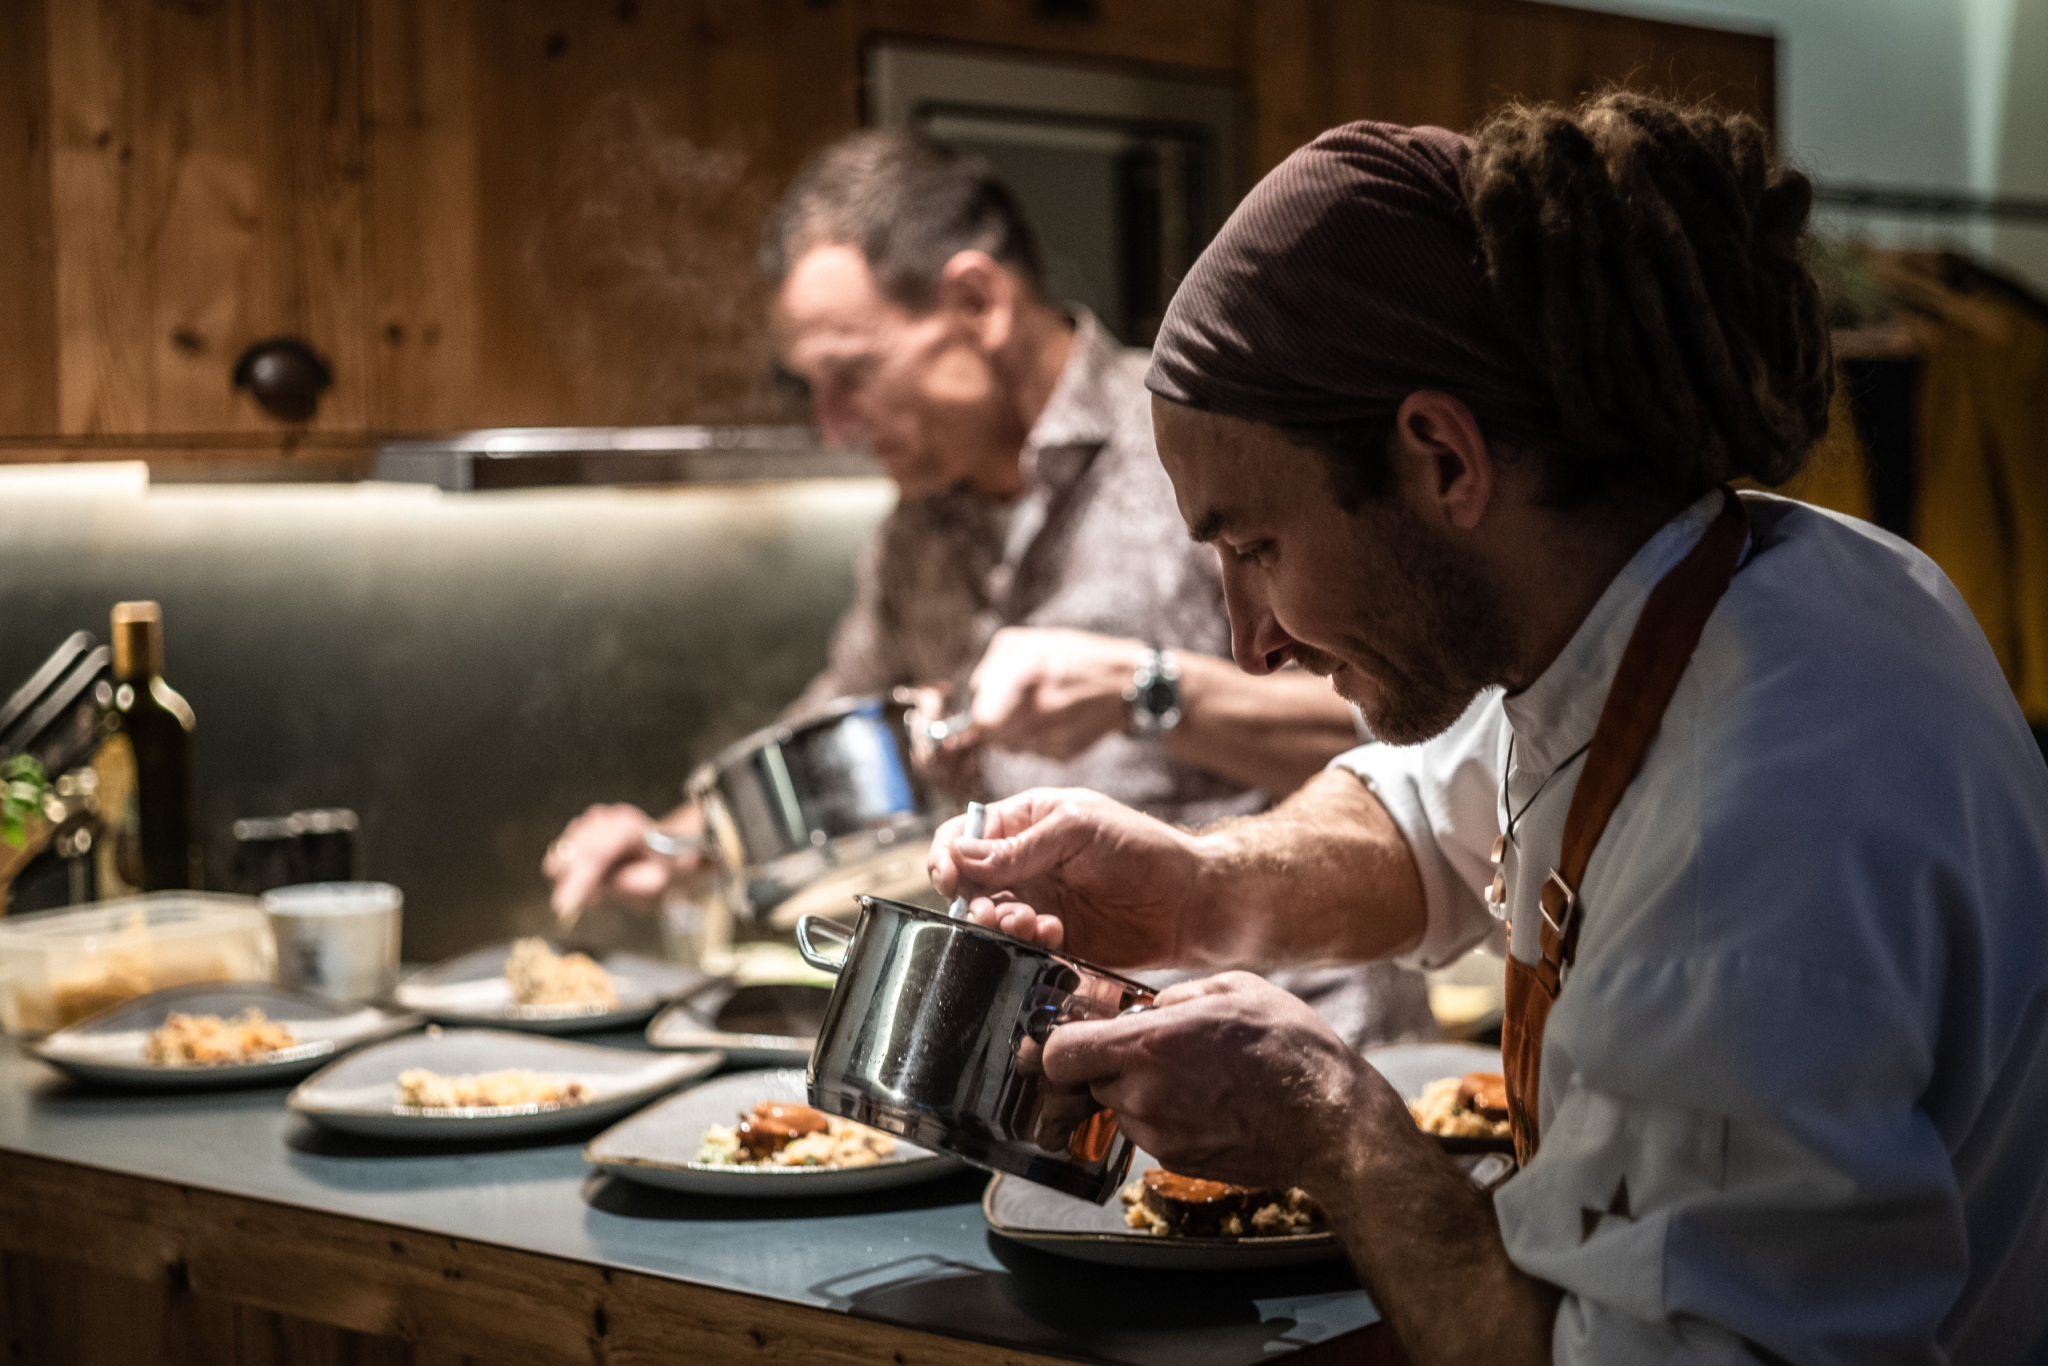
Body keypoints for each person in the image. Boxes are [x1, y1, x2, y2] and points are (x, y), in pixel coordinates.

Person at [929, 93, 2048, 1363]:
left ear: (1443, 460)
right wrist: (1191, 891)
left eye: (1256, 545)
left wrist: (1332, 1123)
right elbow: (1428, 818)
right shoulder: (1722, 587)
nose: (1250, 639)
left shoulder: (1740, 842)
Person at [544, 131, 1433, 1046]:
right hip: (1062, 1051)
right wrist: (681, 841)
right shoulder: (917, 529)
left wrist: (1148, 693)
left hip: (1306, 1034)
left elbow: (1421, 737)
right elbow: (844, 728)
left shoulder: (1201, 444)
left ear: (977, 302)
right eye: (810, 387)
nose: (832, 425)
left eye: (850, 374)